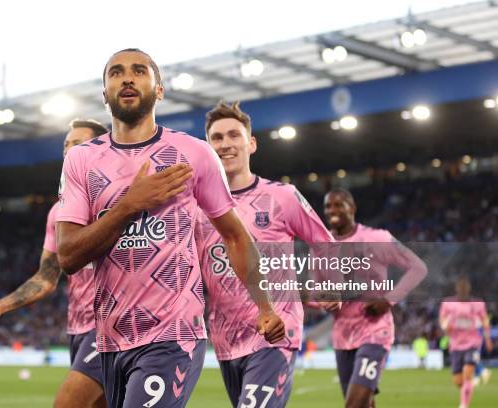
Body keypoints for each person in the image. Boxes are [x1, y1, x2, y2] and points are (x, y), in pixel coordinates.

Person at [56, 48, 285, 408]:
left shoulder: (193, 154)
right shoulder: (81, 160)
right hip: (111, 340)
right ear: (104, 94)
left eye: (139, 71)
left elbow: (235, 235)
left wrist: (265, 306)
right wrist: (130, 205)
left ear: (159, 90)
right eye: (115, 73)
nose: (127, 78)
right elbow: (68, 255)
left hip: (174, 334)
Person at [196, 101, 334, 407]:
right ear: (207, 148)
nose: (226, 144)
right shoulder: (195, 209)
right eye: (216, 138)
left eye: (234, 135)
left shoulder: (281, 196)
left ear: (251, 143)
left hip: (276, 332)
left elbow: (325, 243)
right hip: (225, 339)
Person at [0, 119, 109, 408]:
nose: (69, 150)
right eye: (66, 145)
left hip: (112, 326)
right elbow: (47, 277)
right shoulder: (58, 212)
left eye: (78, 143)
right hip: (77, 329)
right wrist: (2, 305)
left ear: (103, 150)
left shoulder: (118, 201)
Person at [323, 188, 427, 408]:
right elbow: (322, 293)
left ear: (352, 208)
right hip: (342, 336)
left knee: (354, 405)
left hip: (375, 332)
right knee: (365, 405)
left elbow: (418, 268)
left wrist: (388, 300)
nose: (332, 210)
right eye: (328, 206)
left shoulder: (377, 238)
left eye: (338, 204)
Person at [439, 276, 493, 408]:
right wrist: (446, 327)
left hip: (473, 344)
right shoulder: (448, 304)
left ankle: (463, 405)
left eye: (465, 288)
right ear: (457, 289)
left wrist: (488, 339)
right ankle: (469, 386)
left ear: (468, 289)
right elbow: (443, 321)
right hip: (456, 346)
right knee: (458, 380)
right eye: (460, 288)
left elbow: (485, 322)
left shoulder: (478, 304)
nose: (462, 290)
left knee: (468, 374)